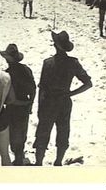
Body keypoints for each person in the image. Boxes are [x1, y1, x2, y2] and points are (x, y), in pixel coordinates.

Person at [33, 31, 92, 166]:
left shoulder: (47, 63)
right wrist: (70, 94)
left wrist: (39, 107)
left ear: (56, 45)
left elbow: (42, 88)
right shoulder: (73, 63)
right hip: (64, 102)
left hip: (48, 102)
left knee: (42, 133)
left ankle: (38, 163)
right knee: (63, 132)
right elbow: (88, 83)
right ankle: (58, 162)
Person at [0, 44, 36, 166]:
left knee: (13, 135)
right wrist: (30, 104)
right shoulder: (26, 69)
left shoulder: (7, 74)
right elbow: (33, 88)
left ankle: (18, 159)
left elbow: (7, 98)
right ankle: (20, 156)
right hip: (24, 106)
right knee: (22, 133)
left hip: (13, 108)